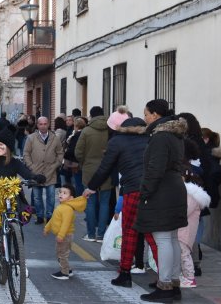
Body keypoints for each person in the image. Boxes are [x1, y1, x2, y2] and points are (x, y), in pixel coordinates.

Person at [82, 117, 159, 288]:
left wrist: (92, 187)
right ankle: (165, 277)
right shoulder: (150, 139)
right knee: (153, 234)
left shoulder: (117, 141)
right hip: (152, 191)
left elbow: (105, 167)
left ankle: (125, 274)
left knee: (130, 231)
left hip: (132, 189)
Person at [0, 127, 46, 289]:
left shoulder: (15, 163)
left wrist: (36, 178)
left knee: (18, 232)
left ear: (9, 147)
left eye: (2, 145)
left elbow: (27, 174)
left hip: (12, 203)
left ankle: (20, 263)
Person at [135, 99, 188, 302]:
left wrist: (146, 192)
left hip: (162, 191)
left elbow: (155, 168)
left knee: (164, 239)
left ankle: (165, 285)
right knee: (172, 238)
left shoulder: (160, 137)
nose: (145, 118)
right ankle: (173, 284)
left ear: (155, 115)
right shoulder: (175, 135)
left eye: (147, 114)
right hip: (174, 188)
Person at [75, 106, 110, 242]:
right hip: (106, 170)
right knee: (105, 203)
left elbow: (78, 152)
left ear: (91, 115)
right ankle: (101, 235)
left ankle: (90, 234)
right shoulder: (110, 130)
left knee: (90, 202)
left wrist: (85, 163)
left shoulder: (86, 131)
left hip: (89, 170)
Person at [23, 116, 64, 224]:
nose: (43, 126)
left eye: (45, 124)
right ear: (37, 125)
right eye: (41, 124)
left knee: (51, 196)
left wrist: (57, 164)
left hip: (51, 171)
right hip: (36, 172)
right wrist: (31, 166)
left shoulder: (55, 138)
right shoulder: (31, 138)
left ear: (48, 124)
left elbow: (60, 153)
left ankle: (50, 216)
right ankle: (40, 216)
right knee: (37, 197)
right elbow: (26, 153)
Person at [44, 184, 86, 280]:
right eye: (60, 192)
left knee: (62, 254)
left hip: (65, 236)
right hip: (63, 236)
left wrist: (61, 235)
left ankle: (64, 273)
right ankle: (68, 270)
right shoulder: (61, 206)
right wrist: (47, 228)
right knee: (60, 253)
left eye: (64, 193)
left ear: (71, 198)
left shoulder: (67, 209)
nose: (61, 194)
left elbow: (65, 224)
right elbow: (53, 219)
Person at [179, 167, 210, 288]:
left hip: (185, 229)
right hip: (184, 228)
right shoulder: (189, 194)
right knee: (183, 253)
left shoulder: (190, 196)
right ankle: (186, 276)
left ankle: (190, 278)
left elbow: (184, 211)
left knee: (184, 253)